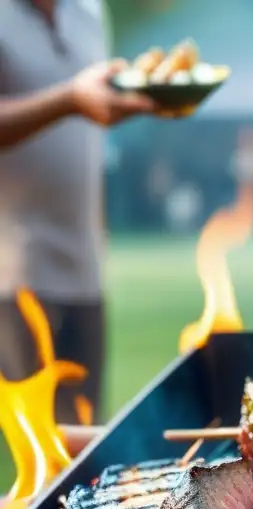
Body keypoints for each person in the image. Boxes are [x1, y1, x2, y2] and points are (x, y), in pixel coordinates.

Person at [0, 0, 153, 422]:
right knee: (41, 441)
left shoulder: (89, 11)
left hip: (85, 265)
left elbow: (93, 106)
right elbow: (75, 99)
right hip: (15, 271)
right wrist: (69, 99)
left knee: (84, 438)